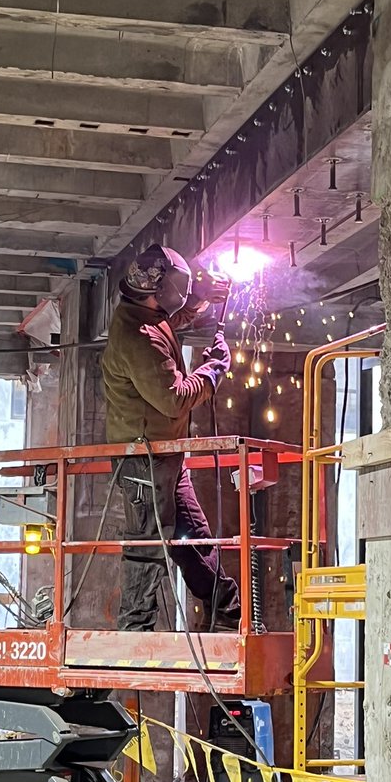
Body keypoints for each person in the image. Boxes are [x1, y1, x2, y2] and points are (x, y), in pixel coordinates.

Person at [102, 243, 239, 632]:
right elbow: (175, 400)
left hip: (165, 459)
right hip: (144, 463)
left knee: (193, 540)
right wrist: (212, 371)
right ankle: (135, 633)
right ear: (158, 292)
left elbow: (168, 324)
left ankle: (228, 615)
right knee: (149, 546)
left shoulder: (142, 312)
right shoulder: (138, 335)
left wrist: (199, 302)